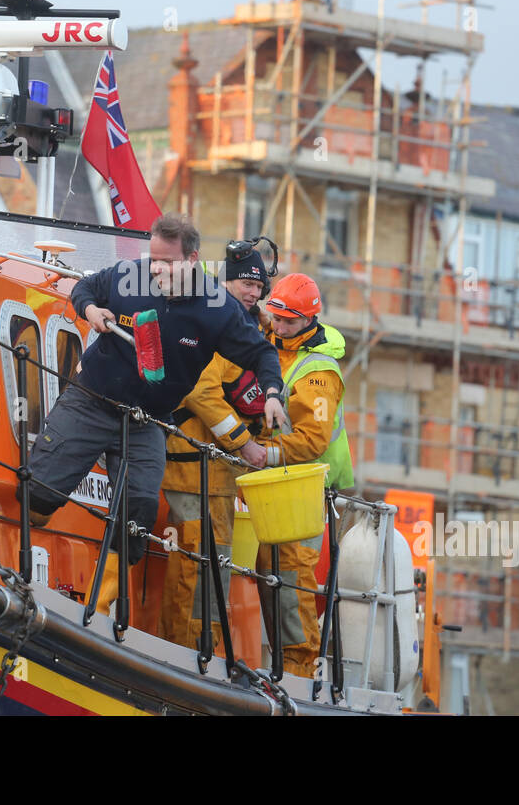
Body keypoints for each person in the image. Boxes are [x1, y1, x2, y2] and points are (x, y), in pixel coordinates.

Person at [21, 214, 288, 611]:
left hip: (147, 422)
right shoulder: (129, 275)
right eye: (154, 259)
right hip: (91, 400)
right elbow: (86, 288)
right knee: (38, 493)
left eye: (167, 261)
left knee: (137, 516)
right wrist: (91, 310)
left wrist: (271, 393)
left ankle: (101, 608)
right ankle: (21, 575)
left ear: (193, 259)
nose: (157, 268)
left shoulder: (217, 309)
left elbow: (263, 352)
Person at [157, 247, 272, 649]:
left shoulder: (243, 330)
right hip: (192, 473)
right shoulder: (213, 323)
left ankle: (208, 652)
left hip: (218, 476)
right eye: (246, 283)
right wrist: (245, 444)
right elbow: (201, 391)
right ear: (226, 282)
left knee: (216, 570)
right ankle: (181, 652)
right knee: (192, 567)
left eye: (259, 285)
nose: (254, 292)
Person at [253, 272, 354, 677]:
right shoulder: (276, 344)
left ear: (309, 320)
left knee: (291, 577)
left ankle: (300, 669)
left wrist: (264, 453)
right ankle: (284, 663)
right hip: (280, 482)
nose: (279, 327)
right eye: (275, 318)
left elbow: (313, 440)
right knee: (269, 569)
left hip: (309, 487)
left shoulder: (320, 372)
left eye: (288, 322)